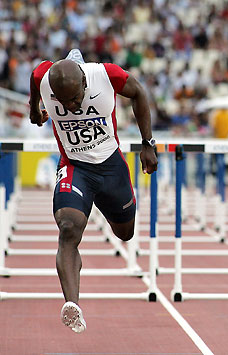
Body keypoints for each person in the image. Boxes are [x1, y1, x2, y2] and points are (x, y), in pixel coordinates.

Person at [29, 49, 158, 333]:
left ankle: (107, 207)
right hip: (76, 168)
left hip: (111, 167)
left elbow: (138, 92)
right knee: (68, 227)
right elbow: (35, 79)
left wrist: (147, 143)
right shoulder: (44, 76)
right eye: (63, 102)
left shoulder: (105, 75)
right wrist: (33, 109)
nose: (71, 106)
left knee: (125, 232)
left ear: (85, 84)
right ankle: (72, 305)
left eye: (75, 99)